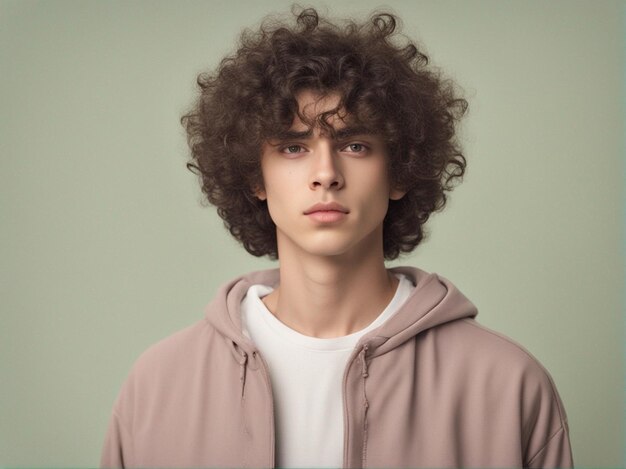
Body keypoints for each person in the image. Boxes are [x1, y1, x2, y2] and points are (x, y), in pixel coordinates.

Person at [101, 7, 573, 468]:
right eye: (293, 147)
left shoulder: (508, 385)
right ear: (255, 177)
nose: (325, 174)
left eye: (355, 145)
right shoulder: (158, 385)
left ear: (400, 171)